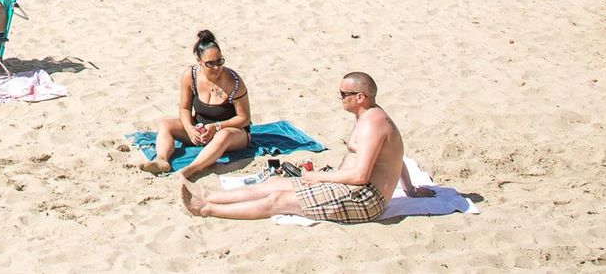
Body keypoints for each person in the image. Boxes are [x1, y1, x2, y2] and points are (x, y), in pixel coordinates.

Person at [180, 71, 432, 222]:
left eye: (344, 94)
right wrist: (409, 189)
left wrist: (318, 177)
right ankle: (209, 196)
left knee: (279, 200)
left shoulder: (373, 124)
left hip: (365, 199)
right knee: (275, 183)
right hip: (347, 186)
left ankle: (207, 209)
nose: (340, 98)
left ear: (360, 97)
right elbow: (395, 156)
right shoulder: (367, 115)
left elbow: (360, 176)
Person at [139, 30, 252, 178]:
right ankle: (162, 160)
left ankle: (191, 169)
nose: (216, 67)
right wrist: (190, 128)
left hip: (232, 132)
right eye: (210, 63)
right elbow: (184, 108)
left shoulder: (234, 82)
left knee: (223, 135)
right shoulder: (190, 76)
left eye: (220, 61)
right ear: (199, 61)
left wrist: (217, 126)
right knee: (165, 124)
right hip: (201, 128)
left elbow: (244, 118)